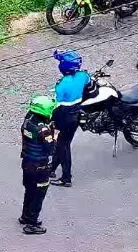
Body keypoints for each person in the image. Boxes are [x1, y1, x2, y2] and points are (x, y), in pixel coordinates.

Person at [50, 50, 90, 188]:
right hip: (76, 115)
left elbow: (57, 103)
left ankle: (66, 178)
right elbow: (89, 81)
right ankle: (51, 169)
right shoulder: (83, 76)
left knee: (63, 146)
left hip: (64, 116)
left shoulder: (62, 85)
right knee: (63, 143)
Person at [20, 95, 57, 235]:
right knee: (39, 194)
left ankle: (25, 216)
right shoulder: (44, 131)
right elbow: (51, 149)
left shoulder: (28, 120)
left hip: (27, 163)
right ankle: (32, 223)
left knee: (29, 190)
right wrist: (54, 136)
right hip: (39, 167)